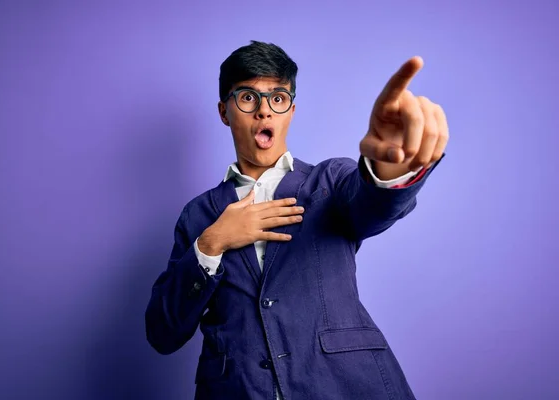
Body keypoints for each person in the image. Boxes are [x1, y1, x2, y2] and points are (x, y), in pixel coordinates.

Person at [145, 40, 448, 400]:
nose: (264, 111)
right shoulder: (198, 216)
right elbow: (163, 332)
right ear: (224, 111)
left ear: (291, 109)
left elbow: (373, 206)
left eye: (277, 98)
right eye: (247, 97)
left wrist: (390, 169)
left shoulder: (330, 181)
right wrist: (212, 244)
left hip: (344, 386)